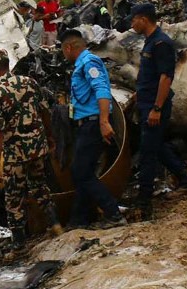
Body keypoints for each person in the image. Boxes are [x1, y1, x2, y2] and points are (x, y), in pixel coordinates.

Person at [0, 49, 63, 253]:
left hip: (15, 155)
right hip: (37, 147)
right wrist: (49, 137)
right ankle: (55, 225)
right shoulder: (29, 82)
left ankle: (19, 244)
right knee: (40, 186)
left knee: (13, 198)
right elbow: (45, 110)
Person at [129, 4, 187, 219]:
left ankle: (144, 204)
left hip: (155, 106)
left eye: (134, 20)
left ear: (143, 19)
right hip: (147, 103)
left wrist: (156, 108)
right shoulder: (150, 41)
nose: (132, 24)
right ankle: (185, 180)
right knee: (156, 146)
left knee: (148, 153)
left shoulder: (161, 43)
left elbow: (166, 77)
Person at [60, 29, 126, 228]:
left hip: (93, 124)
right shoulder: (81, 64)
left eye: (64, 50)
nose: (64, 55)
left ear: (69, 47)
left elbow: (102, 91)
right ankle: (78, 220)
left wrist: (104, 122)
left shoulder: (89, 63)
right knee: (81, 171)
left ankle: (113, 213)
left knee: (82, 171)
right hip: (85, 124)